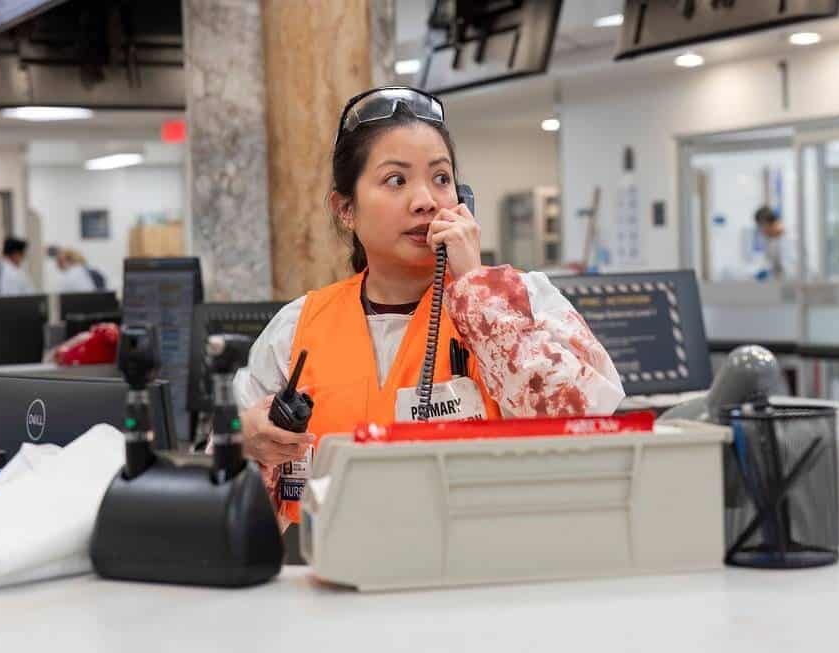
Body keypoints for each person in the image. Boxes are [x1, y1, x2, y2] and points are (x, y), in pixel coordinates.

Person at [233, 86, 624, 527]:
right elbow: (227, 479)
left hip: (476, 568)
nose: (426, 200)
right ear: (346, 209)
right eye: (396, 180)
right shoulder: (297, 327)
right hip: (326, 573)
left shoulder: (523, 300)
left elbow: (588, 427)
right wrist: (244, 440)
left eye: (441, 179)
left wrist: (477, 291)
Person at [753, 205, 796, 281]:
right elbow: (771, 265)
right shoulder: (772, 241)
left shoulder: (792, 238)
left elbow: (789, 269)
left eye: (762, 227)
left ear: (767, 224)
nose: (762, 232)